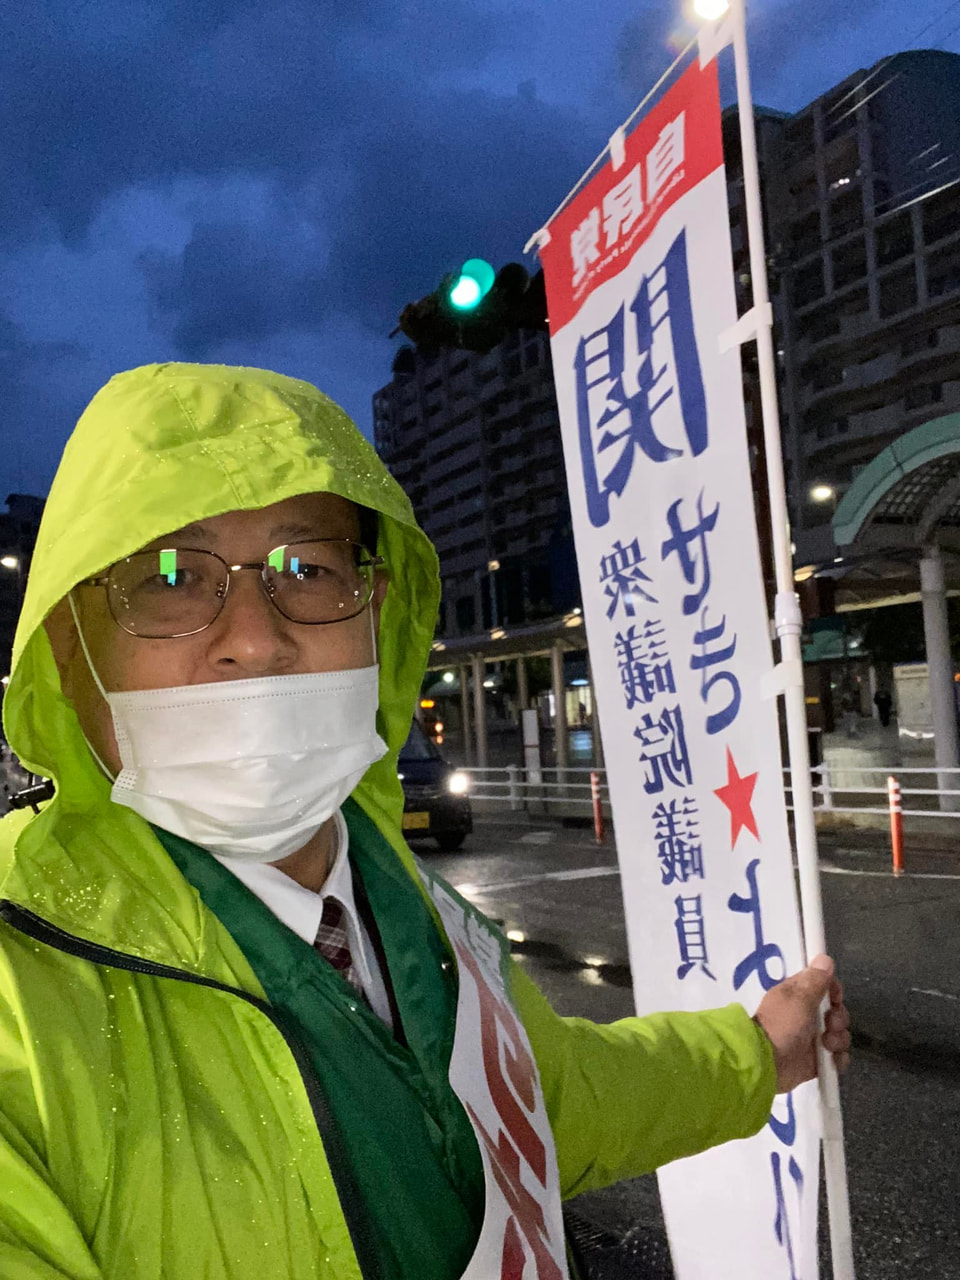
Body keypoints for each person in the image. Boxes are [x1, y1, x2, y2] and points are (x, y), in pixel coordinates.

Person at [0, 364, 850, 1279]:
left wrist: (758, 1053)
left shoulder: (420, 910)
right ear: (69, 646)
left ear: (380, 612)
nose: (256, 634)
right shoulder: (23, 984)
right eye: (167, 575)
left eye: (309, 568)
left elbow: (542, 1102)